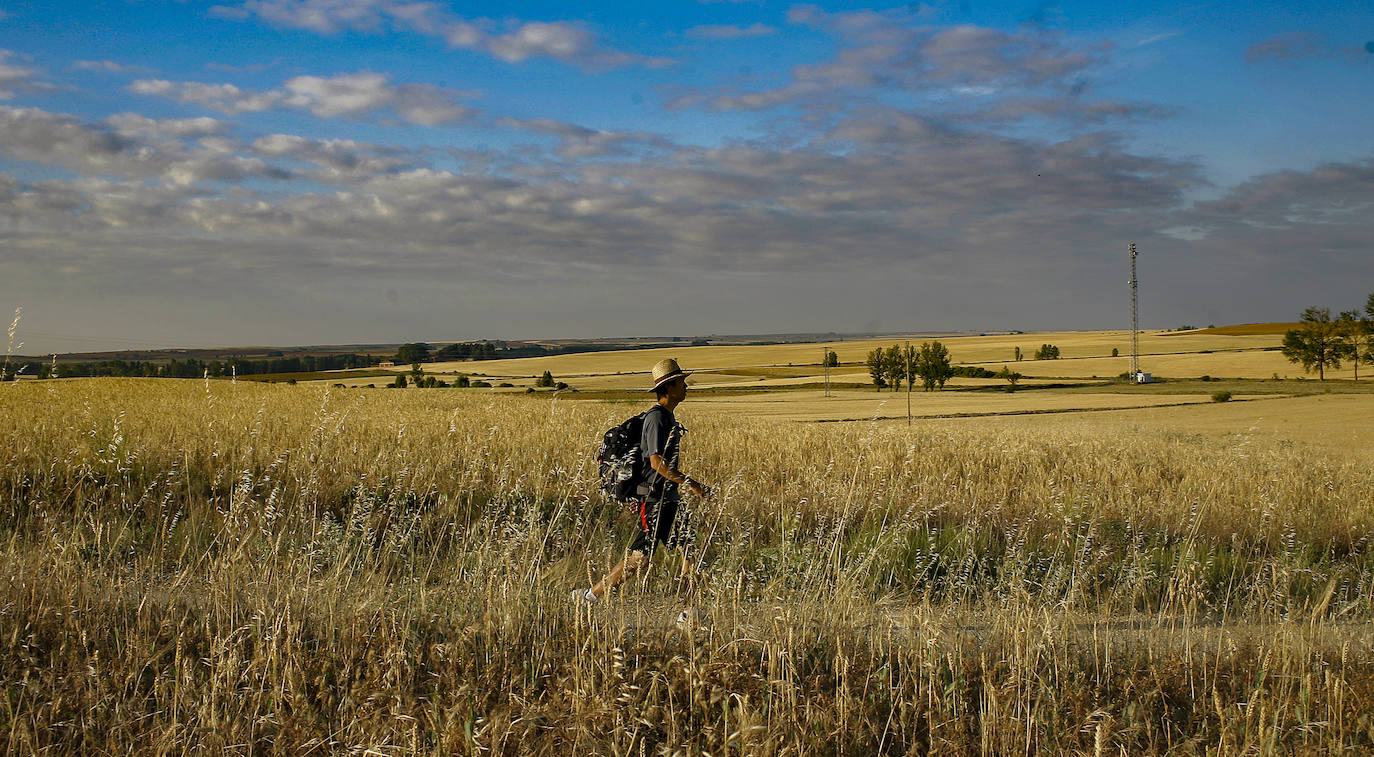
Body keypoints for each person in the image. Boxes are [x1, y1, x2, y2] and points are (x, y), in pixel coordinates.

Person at [576, 358, 712, 614]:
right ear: (669, 387)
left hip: (668, 497)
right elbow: (656, 461)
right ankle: (590, 597)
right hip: (653, 498)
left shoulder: (667, 417)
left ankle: (688, 610)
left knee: (689, 547)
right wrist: (690, 482)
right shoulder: (657, 419)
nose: (686, 386)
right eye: (682, 382)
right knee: (640, 558)